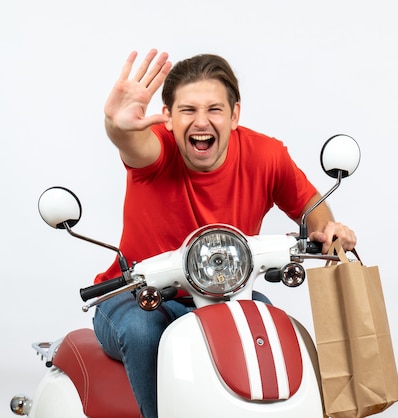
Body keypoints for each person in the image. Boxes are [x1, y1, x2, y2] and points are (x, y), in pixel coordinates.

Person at [92, 49, 357, 418]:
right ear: (167, 117)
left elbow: (311, 206)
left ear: (234, 115)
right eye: (187, 110)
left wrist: (326, 230)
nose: (201, 122)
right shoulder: (156, 149)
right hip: (135, 296)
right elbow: (132, 144)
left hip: (226, 295)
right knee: (144, 333)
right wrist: (116, 125)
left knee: (268, 329)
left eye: (214, 109)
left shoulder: (265, 156)